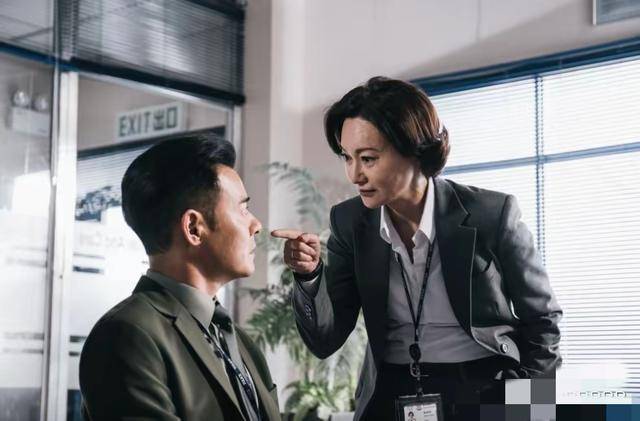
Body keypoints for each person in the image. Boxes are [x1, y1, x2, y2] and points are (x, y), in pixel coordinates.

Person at [272, 77, 562, 420]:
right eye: (347, 158)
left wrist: (530, 408)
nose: (354, 175)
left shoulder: (491, 214)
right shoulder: (350, 222)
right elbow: (325, 340)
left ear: (415, 150)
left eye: (368, 158)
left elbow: (543, 320)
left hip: (483, 386)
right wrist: (309, 276)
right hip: (391, 391)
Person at [80, 135, 281, 421]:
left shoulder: (240, 342)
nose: (256, 225)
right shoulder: (126, 335)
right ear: (194, 228)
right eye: (243, 209)